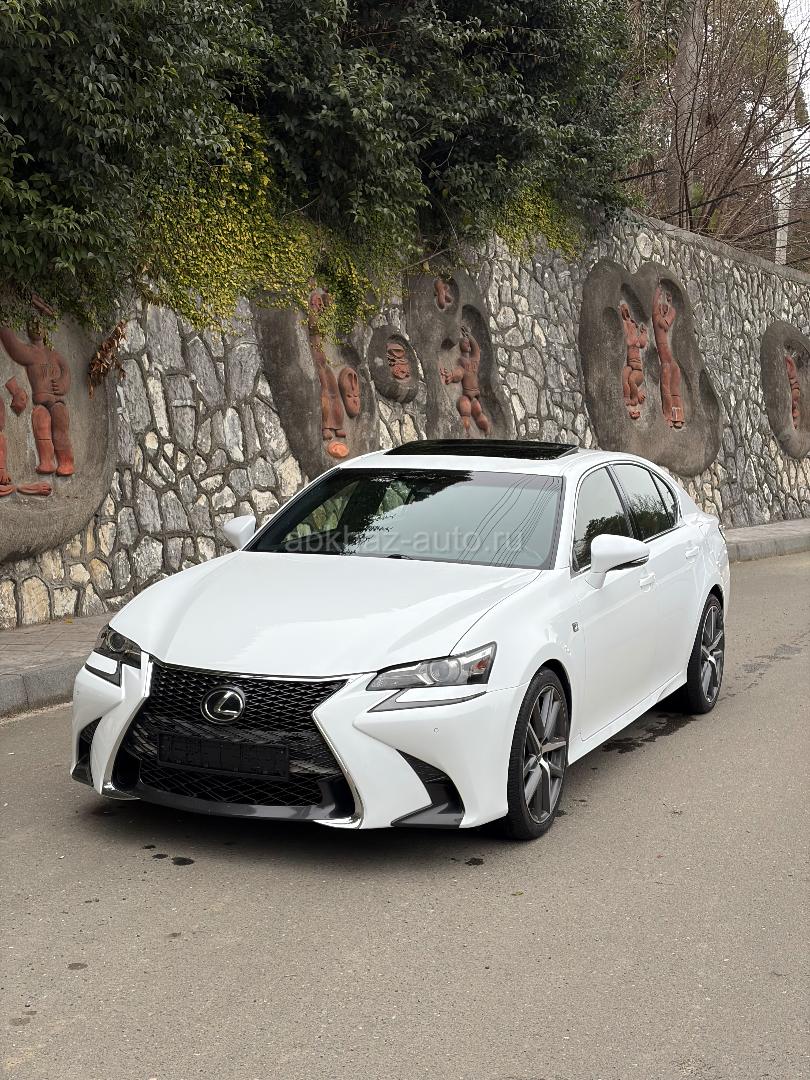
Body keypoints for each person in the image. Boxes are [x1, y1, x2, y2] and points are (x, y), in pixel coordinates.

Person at [0, 296, 75, 475]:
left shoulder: (54, 354)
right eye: (32, 325)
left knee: (61, 429)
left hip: (58, 402)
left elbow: (66, 370)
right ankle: (47, 461)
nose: (36, 327)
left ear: (46, 330)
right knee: (41, 423)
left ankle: (66, 461)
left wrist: (63, 383)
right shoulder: (30, 352)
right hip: (41, 403)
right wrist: (4, 326)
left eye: (39, 324)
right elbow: (13, 347)